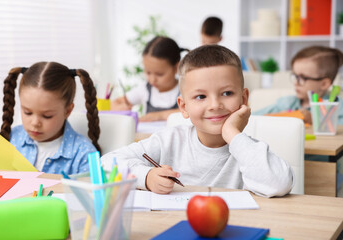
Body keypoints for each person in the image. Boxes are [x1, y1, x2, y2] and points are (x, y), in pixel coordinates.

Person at [102, 45, 293, 197]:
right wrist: (147, 177)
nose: (215, 105)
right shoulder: (169, 140)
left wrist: (232, 134)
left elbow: (279, 184)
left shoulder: (248, 150)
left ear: (244, 99)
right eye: (201, 96)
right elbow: (108, 161)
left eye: (227, 93)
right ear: (184, 107)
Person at [0, 62, 101, 174]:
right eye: (27, 112)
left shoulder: (84, 154)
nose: (35, 123)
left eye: (47, 116)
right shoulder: (9, 139)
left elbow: (89, 191)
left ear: (67, 111)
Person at [253, 46, 343, 124]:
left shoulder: (337, 107)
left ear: (324, 84)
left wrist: (315, 120)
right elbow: (252, 117)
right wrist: (276, 117)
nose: (296, 82)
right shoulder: (287, 103)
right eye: (295, 76)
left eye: (303, 78)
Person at [111, 36, 189, 122]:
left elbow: (192, 111)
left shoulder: (186, 89)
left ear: (176, 68)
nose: (152, 80)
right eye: (148, 73)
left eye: (159, 74)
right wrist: (120, 108)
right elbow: (114, 104)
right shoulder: (144, 89)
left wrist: (158, 116)